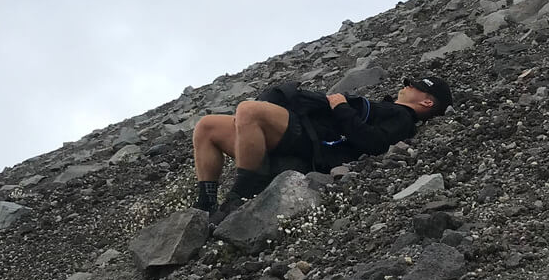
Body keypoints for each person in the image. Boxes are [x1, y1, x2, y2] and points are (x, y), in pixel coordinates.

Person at [191, 76, 453, 218]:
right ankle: (206, 207)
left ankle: (240, 198)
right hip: (304, 134)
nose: (406, 85)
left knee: (249, 110)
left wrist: (340, 107)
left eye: (414, 86)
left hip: (313, 145)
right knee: (207, 126)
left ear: (428, 104)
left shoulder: (403, 118)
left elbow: (373, 143)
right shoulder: (390, 109)